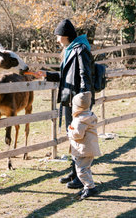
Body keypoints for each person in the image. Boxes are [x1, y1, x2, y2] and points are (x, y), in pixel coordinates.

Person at [33, 18, 95, 189]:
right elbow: (66, 76)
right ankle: (75, 171)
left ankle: (80, 177)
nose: (57, 39)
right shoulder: (71, 49)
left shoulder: (80, 50)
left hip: (78, 101)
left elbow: (84, 74)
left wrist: (83, 98)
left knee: (79, 138)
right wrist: (46, 74)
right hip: (71, 100)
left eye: (58, 36)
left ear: (65, 36)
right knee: (73, 137)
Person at [68, 91, 101, 200]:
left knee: (81, 170)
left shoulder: (80, 120)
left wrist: (70, 130)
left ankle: (90, 188)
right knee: (85, 168)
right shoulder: (88, 116)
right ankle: (88, 186)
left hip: (84, 149)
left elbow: (78, 135)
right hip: (88, 148)